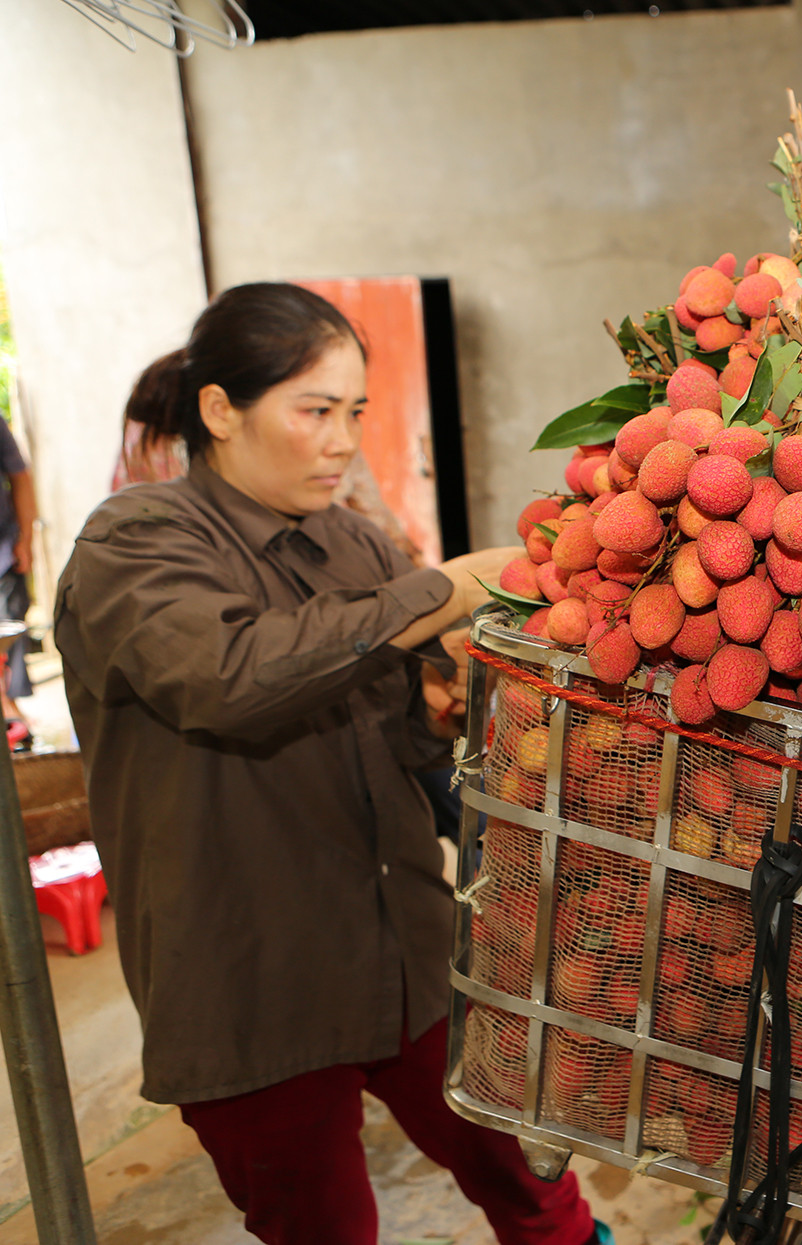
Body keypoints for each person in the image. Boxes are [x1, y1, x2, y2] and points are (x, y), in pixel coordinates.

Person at [55, 283, 605, 1244]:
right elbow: (229, 677)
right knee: (323, 1225)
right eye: (314, 411)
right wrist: (436, 593)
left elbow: (392, 733)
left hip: (407, 951)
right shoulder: (135, 542)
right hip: (256, 982)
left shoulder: (351, 543)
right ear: (221, 411)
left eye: (353, 411)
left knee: (529, 1175)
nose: (344, 439)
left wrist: (436, 713)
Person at [0, 414, 37, 748]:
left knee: (9, 634)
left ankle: (12, 714)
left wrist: (26, 538)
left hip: (3, 552)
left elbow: (21, 477)